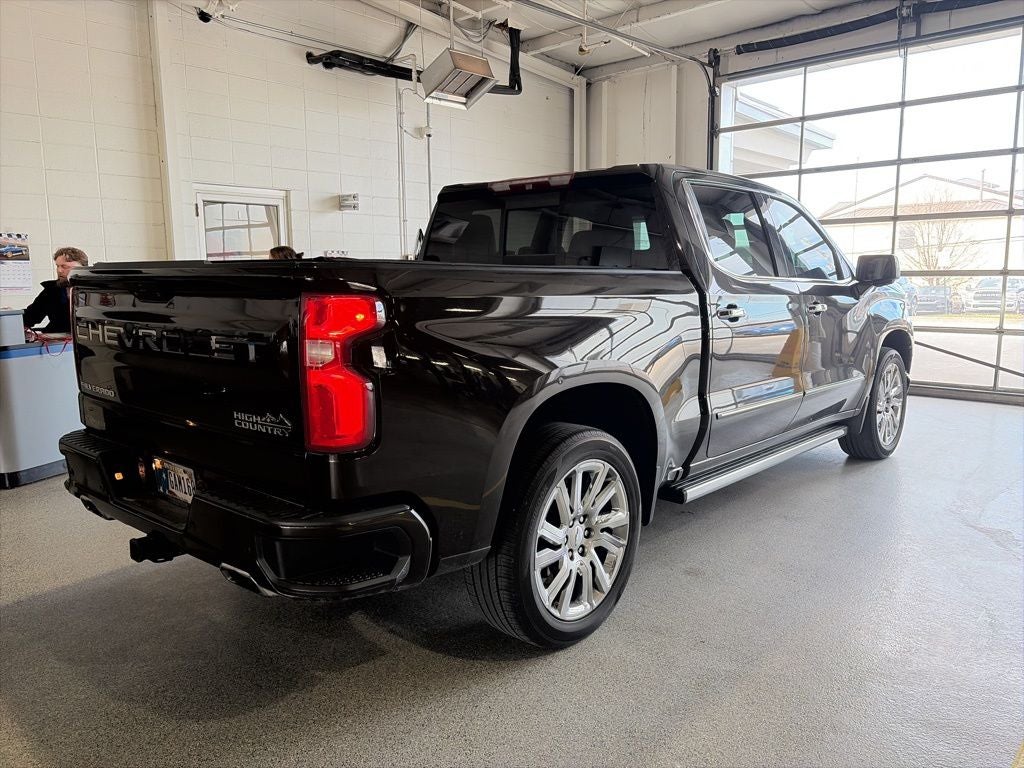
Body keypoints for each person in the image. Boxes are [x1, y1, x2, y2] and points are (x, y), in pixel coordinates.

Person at [23, 247, 88, 334]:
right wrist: (11, 315)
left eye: (65, 267)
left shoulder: (98, 291)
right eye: (57, 266)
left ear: (82, 269)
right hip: (57, 339)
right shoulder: (51, 291)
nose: (59, 270)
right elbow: (30, 317)